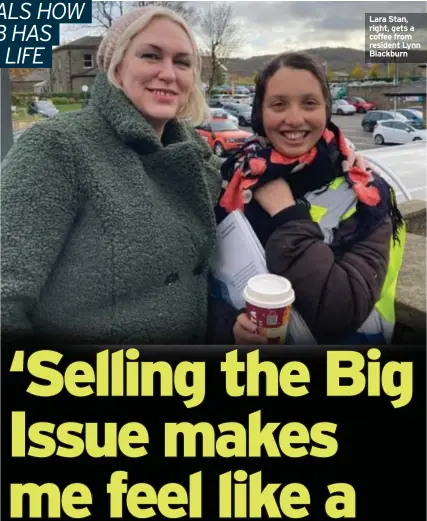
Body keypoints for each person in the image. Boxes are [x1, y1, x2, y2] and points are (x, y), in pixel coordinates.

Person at [1, 6, 223, 344]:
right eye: (150, 55)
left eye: (182, 62)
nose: (168, 73)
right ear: (116, 65)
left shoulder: (195, 156)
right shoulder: (59, 146)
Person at [214, 52, 405, 345]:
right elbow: (207, 280)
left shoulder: (368, 196)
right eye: (278, 104)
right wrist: (230, 325)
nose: (294, 118)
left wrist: (286, 213)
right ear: (259, 114)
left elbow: (341, 311)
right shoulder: (235, 177)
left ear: (326, 110)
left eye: (309, 103)